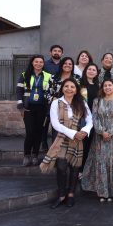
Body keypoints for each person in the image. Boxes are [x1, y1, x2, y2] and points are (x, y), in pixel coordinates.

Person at [41, 78, 93, 208]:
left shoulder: (82, 103)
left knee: (75, 168)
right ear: (62, 88)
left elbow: (90, 120)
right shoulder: (56, 103)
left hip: (78, 138)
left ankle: (71, 194)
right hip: (61, 139)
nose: (69, 89)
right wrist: (73, 133)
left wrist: (84, 131)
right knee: (61, 167)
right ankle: (61, 195)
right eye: (66, 86)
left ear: (76, 90)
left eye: (72, 87)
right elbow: (55, 124)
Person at [82, 79, 113, 202]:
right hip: (100, 137)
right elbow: (94, 117)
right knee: (102, 161)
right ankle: (103, 192)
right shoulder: (97, 101)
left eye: (110, 85)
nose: (107, 87)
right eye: (105, 85)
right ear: (102, 88)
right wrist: (101, 131)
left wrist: (110, 132)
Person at [16, 55, 52, 166]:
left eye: (41, 62)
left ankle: (35, 155)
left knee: (38, 133)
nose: (38, 64)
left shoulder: (48, 76)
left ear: (43, 64)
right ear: (32, 63)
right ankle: (27, 155)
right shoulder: (24, 75)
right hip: (28, 108)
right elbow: (19, 91)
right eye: (36, 61)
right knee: (30, 132)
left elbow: (51, 91)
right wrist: (20, 105)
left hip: (42, 108)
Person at [79, 63, 99, 177]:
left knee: (92, 144)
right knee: (83, 144)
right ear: (86, 71)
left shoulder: (98, 86)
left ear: (96, 73)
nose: (91, 71)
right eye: (89, 69)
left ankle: (89, 170)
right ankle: (80, 170)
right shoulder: (80, 84)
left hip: (95, 118)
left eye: (94, 70)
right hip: (83, 118)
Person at [42, 44, 64, 151]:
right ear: (50, 52)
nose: (57, 52)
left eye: (59, 51)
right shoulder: (45, 64)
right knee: (46, 122)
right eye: (54, 50)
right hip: (48, 97)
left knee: (58, 122)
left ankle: (56, 145)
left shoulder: (63, 65)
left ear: (62, 53)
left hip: (61, 99)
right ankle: (44, 143)